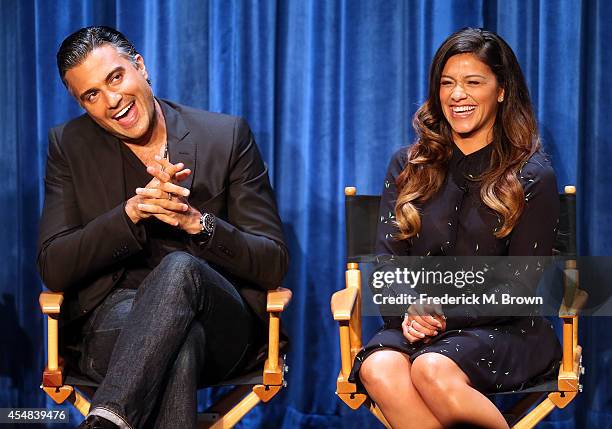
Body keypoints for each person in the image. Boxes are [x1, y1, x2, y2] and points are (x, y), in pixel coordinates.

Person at [37, 26, 288, 429]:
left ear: (140, 66)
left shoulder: (224, 137)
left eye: (115, 77)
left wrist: (197, 223)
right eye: (91, 95)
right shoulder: (69, 146)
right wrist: (130, 214)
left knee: (179, 268)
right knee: (179, 342)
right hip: (113, 328)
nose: (112, 100)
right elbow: (55, 265)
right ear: (82, 104)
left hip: (221, 327)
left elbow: (272, 262)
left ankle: (108, 417)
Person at [350, 28, 562, 429]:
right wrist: (410, 310)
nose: (457, 95)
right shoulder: (407, 165)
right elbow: (387, 264)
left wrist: (443, 314)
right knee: (378, 368)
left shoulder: (532, 175)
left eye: (473, 82)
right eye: (447, 83)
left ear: (501, 90)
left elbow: (518, 288)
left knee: (431, 368)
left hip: (504, 328)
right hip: (419, 323)